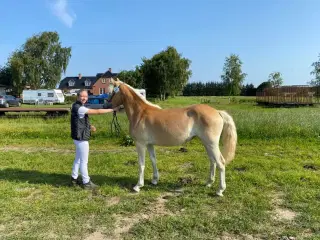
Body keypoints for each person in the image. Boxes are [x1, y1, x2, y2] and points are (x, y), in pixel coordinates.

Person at [70, 89, 120, 190]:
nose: (84, 98)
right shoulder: (80, 108)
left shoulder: (77, 106)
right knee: (84, 161)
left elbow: (79, 121)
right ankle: (86, 182)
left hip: (77, 137)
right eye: (82, 96)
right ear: (78, 97)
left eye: (86, 96)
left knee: (78, 159)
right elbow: (97, 111)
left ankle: (73, 179)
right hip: (81, 138)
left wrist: (89, 126)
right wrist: (113, 109)